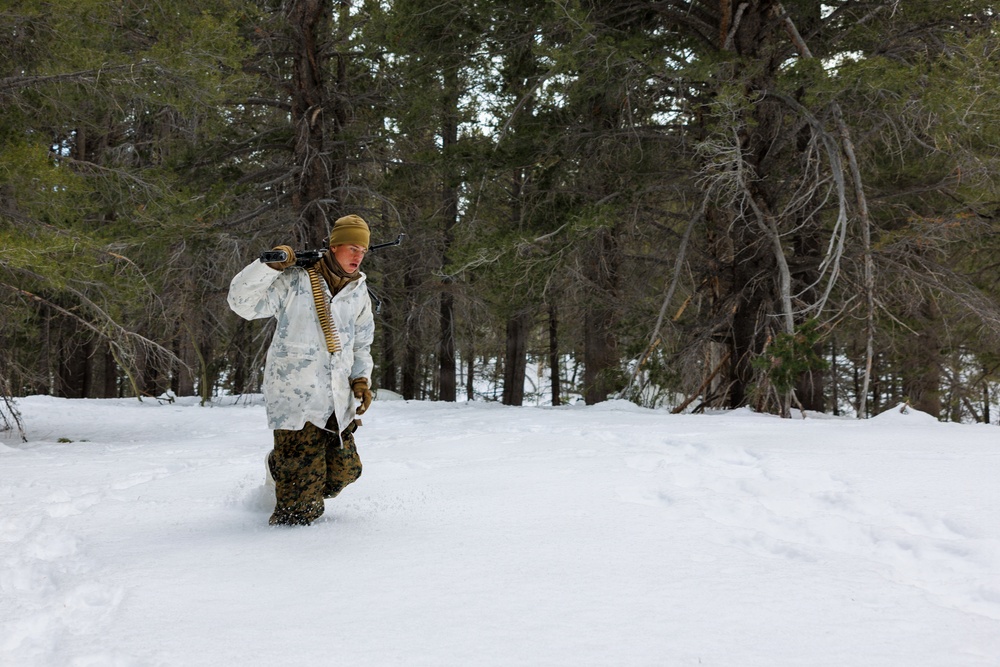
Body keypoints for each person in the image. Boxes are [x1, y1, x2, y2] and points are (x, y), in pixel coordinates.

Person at [227, 214, 375, 526]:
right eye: (352, 247)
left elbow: (361, 342)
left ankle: (281, 468)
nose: (358, 256)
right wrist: (267, 266)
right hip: (296, 400)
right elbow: (241, 302)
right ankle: (291, 495)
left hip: (337, 401)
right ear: (334, 247)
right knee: (299, 512)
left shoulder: (358, 290)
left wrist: (361, 379)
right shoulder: (295, 280)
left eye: (363, 250)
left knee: (347, 472)